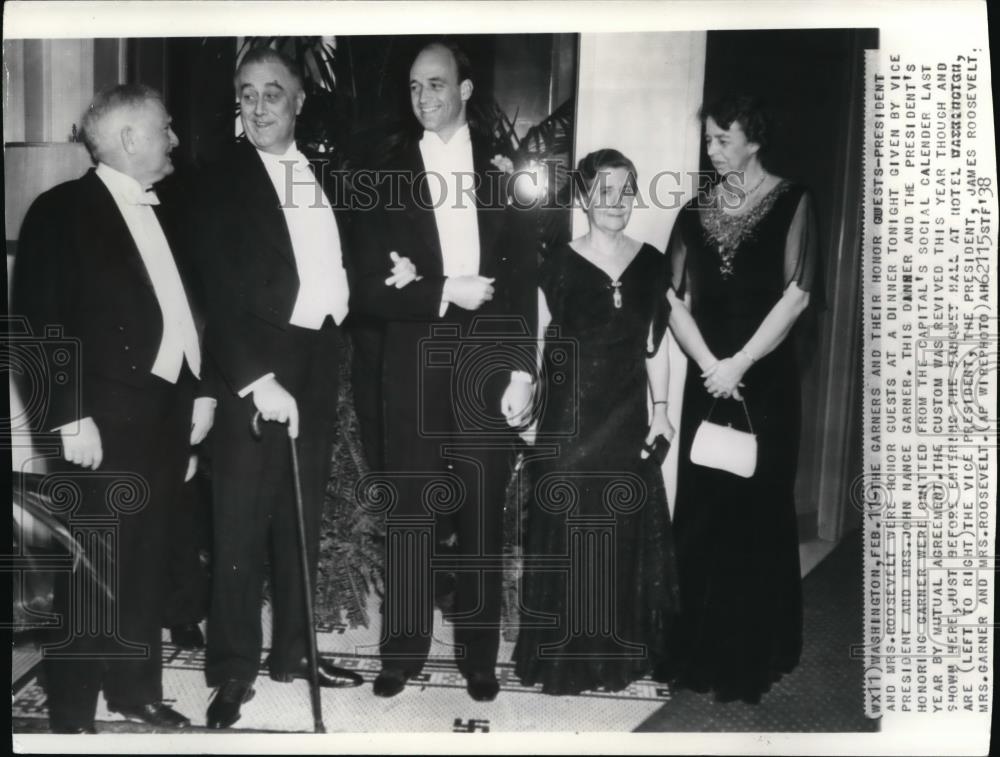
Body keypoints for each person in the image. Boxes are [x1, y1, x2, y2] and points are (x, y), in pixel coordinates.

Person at [12, 84, 213, 732]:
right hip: (96, 423)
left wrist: (201, 392)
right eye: (166, 127)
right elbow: (35, 324)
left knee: (146, 560)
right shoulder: (60, 210)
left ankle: (135, 689)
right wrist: (68, 417)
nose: (175, 140)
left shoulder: (170, 209)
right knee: (92, 568)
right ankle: (71, 713)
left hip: (162, 413)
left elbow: (189, 308)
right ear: (129, 138)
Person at [350, 39, 536, 702]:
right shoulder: (383, 173)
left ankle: (479, 656)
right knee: (412, 515)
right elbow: (365, 287)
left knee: (482, 513)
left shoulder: (504, 173)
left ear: (464, 90)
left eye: (435, 84)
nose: (423, 97)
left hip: (489, 365)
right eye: (413, 87)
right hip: (413, 365)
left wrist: (522, 371)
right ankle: (401, 652)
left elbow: (521, 284)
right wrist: (437, 288)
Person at [193, 46, 363, 730]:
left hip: (317, 357)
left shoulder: (318, 172)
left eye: (272, 93)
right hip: (253, 370)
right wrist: (257, 378)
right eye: (248, 92)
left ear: (298, 101)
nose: (258, 105)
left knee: (301, 515)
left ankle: (295, 650)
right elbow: (218, 293)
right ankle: (231, 670)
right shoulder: (221, 178)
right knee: (238, 522)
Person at [660, 95, 819, 703]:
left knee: (755, 511)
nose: (712, 150)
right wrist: (708, 365)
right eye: (708, 140)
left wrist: (740, 363)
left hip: (764, 379)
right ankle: (693, 648)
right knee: (702, 513)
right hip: (709, 380)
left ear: (753, 139)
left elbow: (798, 293)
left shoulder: (794, 200)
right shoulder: (695, 210)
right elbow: (672, 298)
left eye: (722, 139)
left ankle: (750, 652)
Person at [511, 149, 680, 695]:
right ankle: (565, 659)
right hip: (568, 421)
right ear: (583, 198)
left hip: (627, 418)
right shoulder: (556, 264)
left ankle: (614, 658)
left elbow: (657, 347)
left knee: (617, 535)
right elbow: (534, 344)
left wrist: (662, 413)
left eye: (626, 191)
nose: (616, 203)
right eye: (603, 192)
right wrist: (527, 409)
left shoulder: (652, 263)